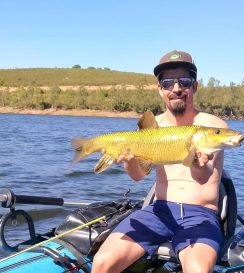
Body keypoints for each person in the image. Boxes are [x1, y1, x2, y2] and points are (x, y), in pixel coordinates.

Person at [91, 50, 228, 273]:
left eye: (184, 81)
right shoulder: (152, 126)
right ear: (160, 89)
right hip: (159, 211)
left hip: (200, 215)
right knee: (102, 262)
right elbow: (137, 176)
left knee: (198, 270)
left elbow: (205, 180)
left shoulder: (213, 127)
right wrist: (129, 160)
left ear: (194, 85)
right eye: (167, 83)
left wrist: (198, 163)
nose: (176, 89)